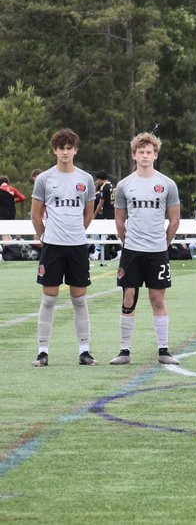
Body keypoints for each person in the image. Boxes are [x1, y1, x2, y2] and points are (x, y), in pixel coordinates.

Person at [108, 133, 182, 365]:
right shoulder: (124, 185)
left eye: (149, 152)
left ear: (156, 155)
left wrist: (164, 243)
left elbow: (175, 220)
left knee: (157, 299)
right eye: (141, 152)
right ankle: (124, 351)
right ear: (134, 155)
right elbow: (120, 220)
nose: (145, 155)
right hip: (132, 251)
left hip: (157, 251)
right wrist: (126, 241)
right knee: (129, 297)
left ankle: (163, 350)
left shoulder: (167, 184)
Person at [30, 129, 96, 367]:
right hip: (53, 248)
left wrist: (76, 232)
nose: (65, 152)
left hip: (77, 247)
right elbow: (36, 214)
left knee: (79, 300)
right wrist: (45, 237)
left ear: (75, 150)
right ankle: (43, 351)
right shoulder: (45, 179)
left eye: (69, 148)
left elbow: (88, 214)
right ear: (55, 150)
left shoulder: (85, 179)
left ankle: (85, 350)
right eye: (61, 148)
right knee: (49, 299)